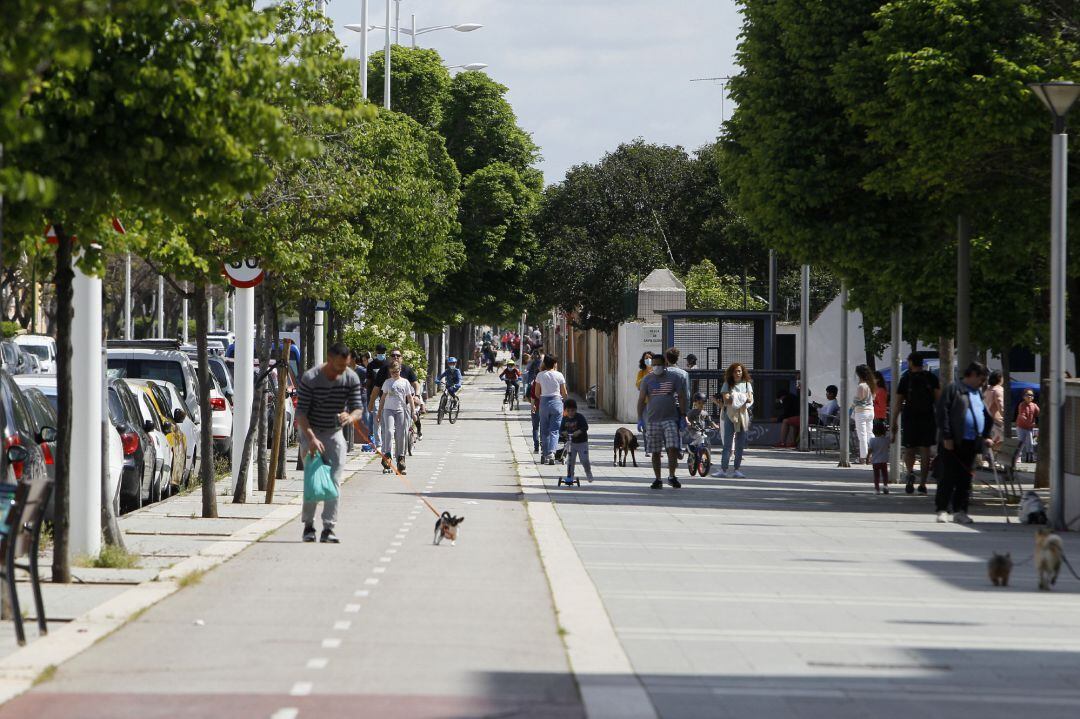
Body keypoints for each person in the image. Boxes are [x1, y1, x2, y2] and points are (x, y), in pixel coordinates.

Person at [295, 342, 364, 544]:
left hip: (334, 434)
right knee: (313, 481)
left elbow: (358, 408)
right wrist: (311, 439)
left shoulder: (350, 377)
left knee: (333, 481)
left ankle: (328, 528)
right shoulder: (311, 378)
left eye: (344, 367)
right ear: (329, 359)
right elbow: (301, 414)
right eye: (337, 368)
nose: (339, 372)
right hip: (311, 432)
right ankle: (308, 526)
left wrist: (350, 417)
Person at [934, 362, 993, 524]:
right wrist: (947, 436)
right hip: (953, 442)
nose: (983, 383)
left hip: (972, 442)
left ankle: (961, 510)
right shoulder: (954, 389)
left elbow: (985, 415)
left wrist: (986, 435)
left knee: (966, 478)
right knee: (948, 476)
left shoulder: (978, 393)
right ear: (972, 374)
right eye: (981, 379)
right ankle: (942, 509)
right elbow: (942, 412)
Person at [891, 353, 940, 494]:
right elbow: (939, 399)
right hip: (928, 417)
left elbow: (898, 402)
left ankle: (910, 472)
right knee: (925, 450)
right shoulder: (931, 378)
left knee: (909, 449)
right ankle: (923, 483)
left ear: (911, 362)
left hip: (910, 416)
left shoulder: (906, 379)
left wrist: (894, 421)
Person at [637, 354, 685, 489]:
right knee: (655, 451)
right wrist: (640, 418)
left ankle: (671, 475)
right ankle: (657, 479)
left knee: (672, 447)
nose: (656, 367)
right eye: (654, 364)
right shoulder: (647, 379)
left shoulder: (674, 378)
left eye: (659, 364)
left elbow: (681, 396)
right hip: (652, 419)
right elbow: (641, 400)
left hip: (670, 418)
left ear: (665, 365)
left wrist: (683, 415)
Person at [714, 363, 753, 478]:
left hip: (742, 415)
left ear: (743, 372)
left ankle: (737, 469)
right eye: (735, 371)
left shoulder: (747, 384)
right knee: (727, 443)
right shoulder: (727, 384)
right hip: (729, 415)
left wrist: (735, 396)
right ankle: (723, 469)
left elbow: (750, 399)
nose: (738, 373)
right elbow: (726, 400)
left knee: (740, 444)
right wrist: (742, 397)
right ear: (731, 373)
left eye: (739, 371)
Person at [377, 360, 415, 474]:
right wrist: (379, 413)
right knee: (388, 431)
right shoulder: (387, 382)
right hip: (388, 410)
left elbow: (409, 397)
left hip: (401, 410)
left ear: (400, 371)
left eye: (397, 372)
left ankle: (401, 458)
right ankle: (387, 456)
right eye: (392, 372)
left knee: (401, 434)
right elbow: (383, 398)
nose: (395, 374)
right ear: (390, 372)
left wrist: (413, 412)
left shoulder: (405, 382)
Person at [534, 354, 567, 464]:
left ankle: (544, 453)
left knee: (544, 429)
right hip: (557, 402)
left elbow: (537, 393)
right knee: (555, 430)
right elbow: (564, 393)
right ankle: (552, 453)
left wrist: (543, 399)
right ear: (554, 363)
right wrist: (563, 400)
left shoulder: (540, 375)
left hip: (544, 403)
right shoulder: (559, 375)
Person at [559, 398, 593, 483]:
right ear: (565, 411)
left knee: (584, 460)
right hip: (571, 443)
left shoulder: (580, 417)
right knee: (570, 460)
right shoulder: (565, 419)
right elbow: (560, 430)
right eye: (568, 410)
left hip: (582, 442)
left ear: (576, 410)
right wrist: (564, 432)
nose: (571, 412)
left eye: (573, 410)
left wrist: (579, 431)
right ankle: (570, 475)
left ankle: (588, 472)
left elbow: (585, 427)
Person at [365, 344, 388, 450]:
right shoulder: (371, 365)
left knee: (386, 418)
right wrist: (369, 395)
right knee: (376, 418)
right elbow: (369, 380)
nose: (381, 354)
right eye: (379, 352)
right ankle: (378, 443)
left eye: (383, 352)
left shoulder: (388, 364)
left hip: (387, 394)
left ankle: (386, 440)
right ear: (376, 353)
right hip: (375, 394)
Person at [852, 365, 876, 462]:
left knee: (862, 435)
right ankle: (873, 455)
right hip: (870, 411)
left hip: (861, 412)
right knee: (870, 433)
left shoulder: (861, 386)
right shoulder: (871, 385)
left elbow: (857, 400)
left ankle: (863, 457)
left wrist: (851, 407)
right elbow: (873, 398)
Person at [868, 423, 891, 494]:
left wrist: (867, 457)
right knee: (885, 475)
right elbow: (890, 443)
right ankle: (885, 486)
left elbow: (870, 450)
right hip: (884, 461)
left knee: (876, 476)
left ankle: (877, 489)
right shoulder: (886, 440)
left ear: (873, 431)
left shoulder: (872, 440)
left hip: (875, 461)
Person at [1016, 390, 1039, 462]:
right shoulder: (1022, 405)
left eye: (1031, 395)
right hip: (1021, 427)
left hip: (1029, 428)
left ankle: (1030, 458)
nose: (1029, 396)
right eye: (1027, 395)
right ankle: (1018, 458)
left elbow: (1038, 414)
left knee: (1030, 442)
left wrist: (1036, 423)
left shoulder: (1034, 405)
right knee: (1021, 442)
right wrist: (1030, 424)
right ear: (1024, 397)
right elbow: (1022, 416)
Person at [984, 370, 1005, 444]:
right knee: (1000, 444)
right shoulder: (998, 390)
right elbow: (1001, 407)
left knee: (991, 446)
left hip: (987, 421)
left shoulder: (987, 390)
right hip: (997, 423)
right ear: (1000, 378)